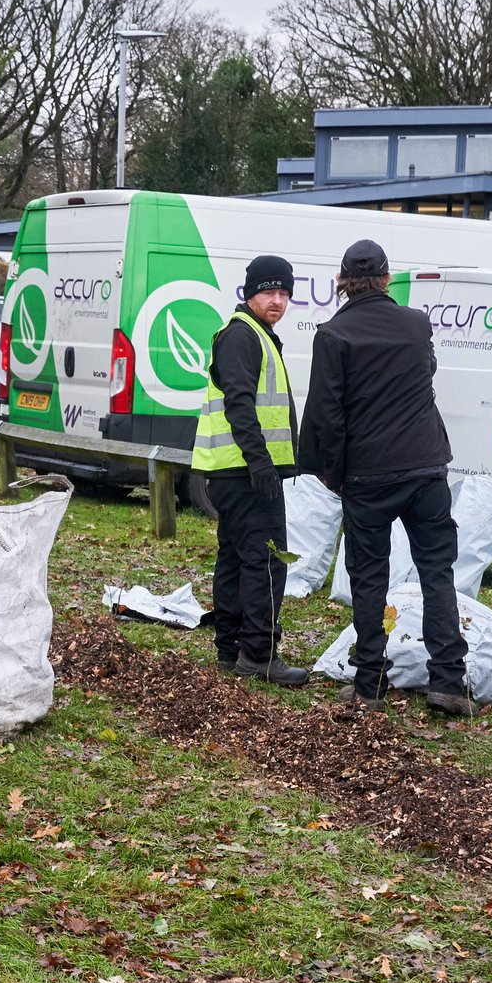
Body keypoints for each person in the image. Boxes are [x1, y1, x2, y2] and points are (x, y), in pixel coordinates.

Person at [297, 239, 473, 717]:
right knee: (437, 573)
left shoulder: (333, 334)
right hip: (424, 468)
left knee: (369, 579)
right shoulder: (416, 324)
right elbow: (427, 373)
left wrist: (332, 474)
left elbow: (327, 413)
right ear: (386, 278)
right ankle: (449, 684)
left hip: (368, 476)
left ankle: (369, 682)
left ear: (342, 281)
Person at [196, 255, 307, 684]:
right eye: (268, 292)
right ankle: (258, 654)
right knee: (265, 561)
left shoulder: (253, 334)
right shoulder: (243, 336)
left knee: (236, 559)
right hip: (246, 472)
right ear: (249, 293)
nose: (277, 301)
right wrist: (261, 465)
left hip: (232, 470)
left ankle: (231, 648)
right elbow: (239, 403)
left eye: (284, 293)